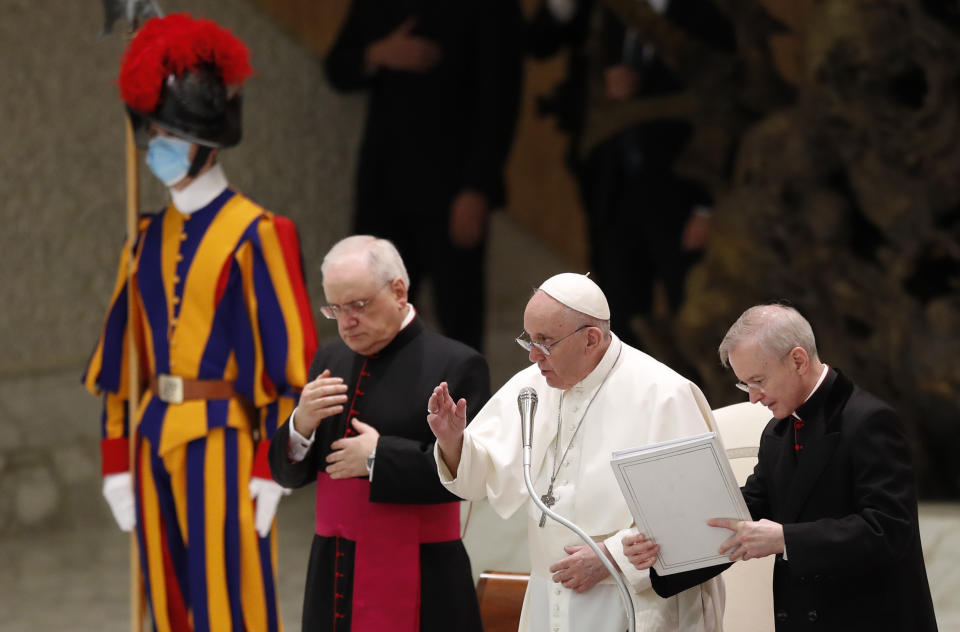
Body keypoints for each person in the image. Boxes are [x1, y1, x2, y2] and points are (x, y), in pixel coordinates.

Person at [83, 14, 318, 632]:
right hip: (148, 436)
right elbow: (120, 364)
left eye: (172, 133)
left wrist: (277, 465)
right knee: (167, 607)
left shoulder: (258, 233)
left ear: (206, 142)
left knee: (229, 607)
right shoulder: (143, 240)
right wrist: (115, 461)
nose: (158, 143)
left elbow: (290, 362)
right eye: (153, 131)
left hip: (224, 442)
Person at [428, 273, 724, 631]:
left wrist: (611, 559)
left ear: (591, 339)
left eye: (545, 342)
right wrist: (452, 441)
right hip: (551, 597)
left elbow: (695, 517)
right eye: (529, 340)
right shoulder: (531, 386)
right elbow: (479, 479)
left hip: (633, 600)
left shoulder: (663, 394)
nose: (534, 356)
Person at [623, 304, 938, 631]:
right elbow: (740, 514)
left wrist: (786, 539)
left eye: (758, 381)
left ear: (798, 360)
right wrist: (662, 546)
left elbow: (889, 529)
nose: (753, 399)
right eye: (745, 385)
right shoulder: (777, 432)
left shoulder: (870, 420)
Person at [268, 235, 490, 632]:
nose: (346, 322)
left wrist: (378, 457)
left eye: (358, 305)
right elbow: (289, 476)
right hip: (334, 564)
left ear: (399, 291)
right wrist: (300, 424)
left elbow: (472, 478)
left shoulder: (458, 364)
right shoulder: (330, 357)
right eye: (334, 308)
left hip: (424, 569)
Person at [526, 0, 734, 354]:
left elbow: (724, 112)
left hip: (681, 196)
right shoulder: (611, 5)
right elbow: (540, 41)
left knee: (691, 317)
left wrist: (707, 208)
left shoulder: (706, 10)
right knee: (618, 313)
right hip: (615, 188)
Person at [323, 0, 523, 352]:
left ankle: (465, 409)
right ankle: (374, 408)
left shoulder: (492, 0)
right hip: (383, 185)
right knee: (370, 316)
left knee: (458, 327)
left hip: (453, 189)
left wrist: (478, 188)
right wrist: (378, 54)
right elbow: (337, 67)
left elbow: (501, 97)